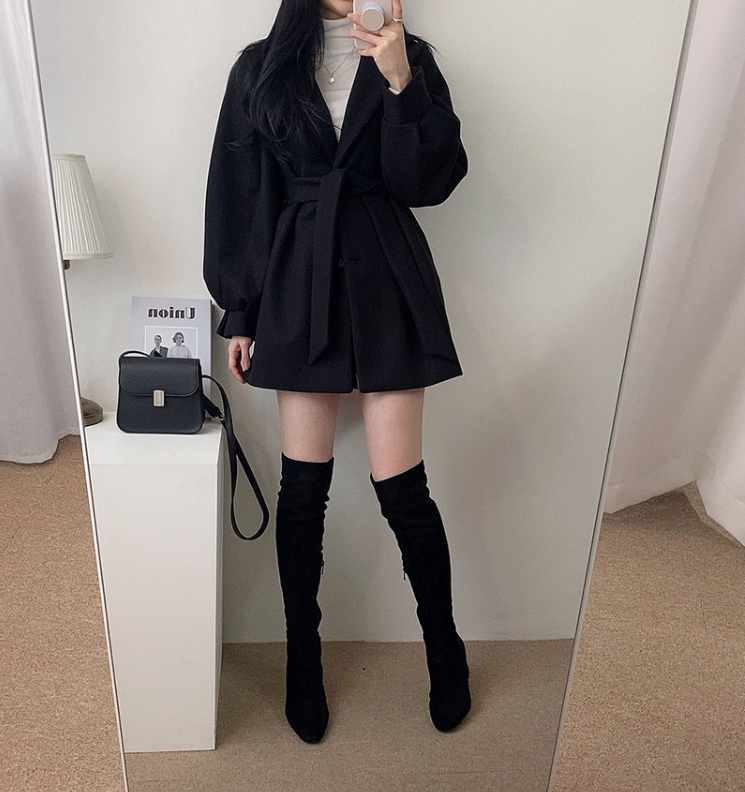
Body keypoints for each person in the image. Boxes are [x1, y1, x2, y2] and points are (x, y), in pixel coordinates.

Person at [203, 0, 470, 744]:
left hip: (388, 273)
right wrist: (241, 309)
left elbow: (430, 181)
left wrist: (400, 80)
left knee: (404, 491)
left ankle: (445, 651)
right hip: (298, 278)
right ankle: (303, 661)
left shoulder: (409, 55)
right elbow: (239, 190)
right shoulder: (260, 66)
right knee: (302, 493)